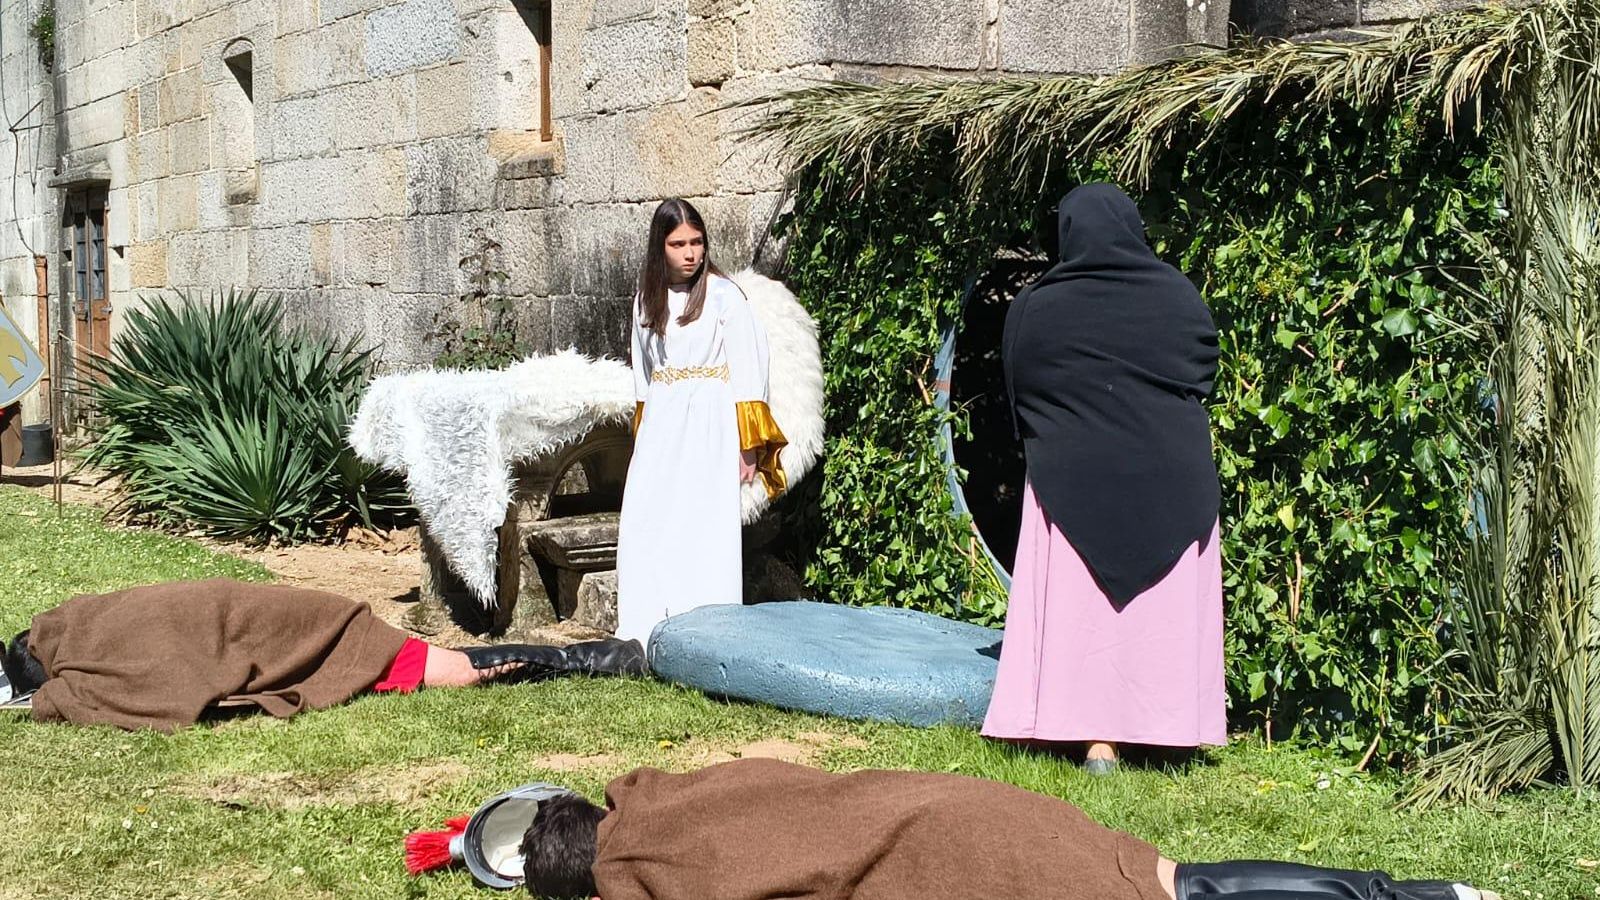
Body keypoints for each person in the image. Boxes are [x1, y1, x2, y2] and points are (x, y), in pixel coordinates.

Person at [987, 183, 1226, 773]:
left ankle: (1096, 739)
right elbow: (1203, 366)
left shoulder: (1038, 305)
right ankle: (1169, 731)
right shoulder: (1177, 293)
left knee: (1084, 608)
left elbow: (1018, 383)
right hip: (1174, 480)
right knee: (1155, 612)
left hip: (1073, 481)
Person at [515, 757, 1500, 900]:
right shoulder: (662, 797)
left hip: (958, 858)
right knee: (1169, 876)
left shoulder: (655, 877)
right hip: (952, 805)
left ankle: (1411, 897)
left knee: (1173, 893)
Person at [0, 578, 646, 732]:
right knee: (433, 664)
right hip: (276, 617)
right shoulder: (68, 621)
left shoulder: (86, 657)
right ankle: (608, 655)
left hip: (306, 628)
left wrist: (50, 701)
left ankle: (605, 658)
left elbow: (168, 688)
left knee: (444, 670)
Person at [614, 199, 787, 644]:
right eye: (678, 244)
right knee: (649, 516)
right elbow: (642, 375)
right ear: (660, 247)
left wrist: (748, 444)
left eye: (696, 242)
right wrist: (643, 435)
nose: (689, 253)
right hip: (662, 422)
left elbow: (750, 370)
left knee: (703, 521)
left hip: (711, 423)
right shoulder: (644, 301)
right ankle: (647, 623)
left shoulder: (725, 296)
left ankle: (709, 629)